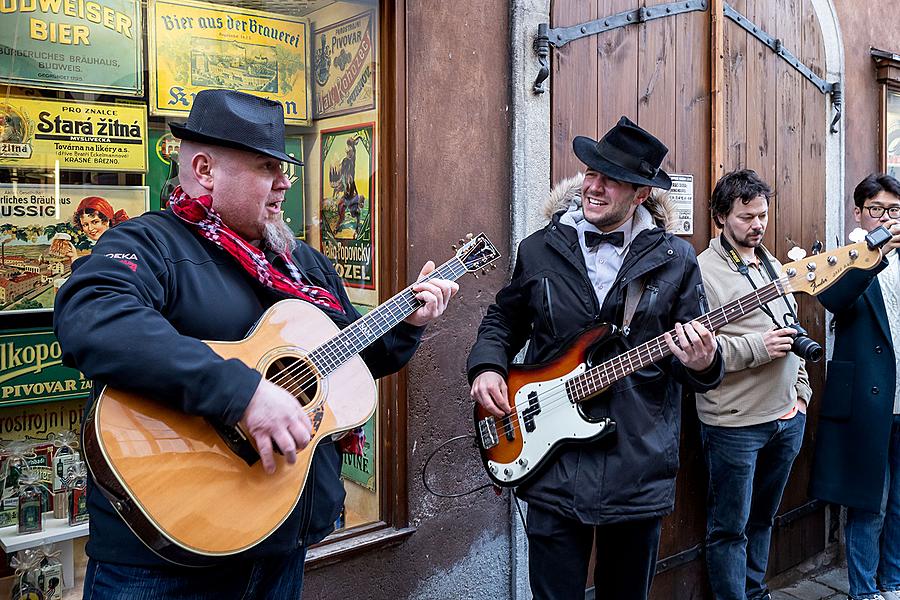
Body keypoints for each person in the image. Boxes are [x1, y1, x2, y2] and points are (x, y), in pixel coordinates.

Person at [53, 89, 458, 599]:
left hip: (280, 546)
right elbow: (92, 318)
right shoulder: (147, 243)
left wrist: (409, 323)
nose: (285, 182)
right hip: (159, 563)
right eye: (268, 166)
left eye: (283, 167)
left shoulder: (302, 264)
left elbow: (352, 360)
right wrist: (241, 393)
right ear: (204, 170)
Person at [467, 116, 724, 600]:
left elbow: (697, 368)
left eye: (612, 179)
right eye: (590, 172)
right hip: (549, 464)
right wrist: (486, 366)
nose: (595, 186)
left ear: (641, 195)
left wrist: (702, 362)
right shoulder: (539, 249)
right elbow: (503, 320)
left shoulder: (676, 260)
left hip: (636, 466)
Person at [695, 169, 812, 600]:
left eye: (763, 214)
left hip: (786, 418)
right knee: (730, 529)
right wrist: (759, 348)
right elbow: (699, 353)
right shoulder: (701, 272)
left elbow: (791, 328)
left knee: (762, 520)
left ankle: (756, 593)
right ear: (722, 217)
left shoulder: (774, 264)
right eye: (747, 217)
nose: (758, 224)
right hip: (734, 426)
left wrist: (801, 396)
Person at [810, 174, 900, 600]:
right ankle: (864, 590)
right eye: (878, 210)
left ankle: (892, 581)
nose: (887, 218)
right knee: (870, 502)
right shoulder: (842, 256)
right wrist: (875, 254)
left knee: (899, 502)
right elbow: (835, 300)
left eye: (895, 211)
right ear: (859, 212)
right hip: (868, 398)